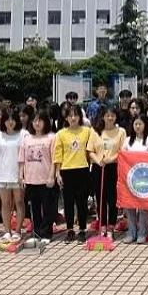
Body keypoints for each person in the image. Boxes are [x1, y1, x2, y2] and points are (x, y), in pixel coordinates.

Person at [54, 103, 94, 244]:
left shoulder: (87, 131)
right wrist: (57, 173)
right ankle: (70, 230)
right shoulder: (61, 134)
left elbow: (93, 147)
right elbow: (58, 154)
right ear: (66, 117)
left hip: (83, 169)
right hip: (66, 171)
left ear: (80, 117)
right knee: (68, 202)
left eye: (75, 115)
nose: (73, 118)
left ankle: (82, 230)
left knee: (82, 202)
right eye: (70, 115)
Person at [20, 107, 56, 245]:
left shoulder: (51, 137)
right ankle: (36, 232)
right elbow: (22, 159)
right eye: (35, 120)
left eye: (40, 120)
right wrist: (21, 176)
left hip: (46, 178)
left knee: (48, 207)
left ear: (46, 122)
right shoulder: (27, 138)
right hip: (31, 179)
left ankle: (46, 233)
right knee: (34, 208)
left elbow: (54, 159)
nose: (37, 123)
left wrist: (52, 176)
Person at [88, 105, 125, 240]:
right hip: (99, 167)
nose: (110, 118)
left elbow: (122, 151)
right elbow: (90, 151)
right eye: (107, 115)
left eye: (112, 115)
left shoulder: (120, 131)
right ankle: (102, 225)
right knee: (100, 198)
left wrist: (111, 159)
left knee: (112, 198)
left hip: (113, 167)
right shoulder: (95, 131)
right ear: (102, 117)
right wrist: (98, 160)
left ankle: (111, 227)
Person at [0, 106, 26, 242]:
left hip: (19, 174)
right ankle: (7, 231)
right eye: (7, 119)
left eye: (13, 119)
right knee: (5, 204)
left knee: (19, 202)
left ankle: (18, 230)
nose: (10, 122)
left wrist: (23, 173)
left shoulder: (23, 134)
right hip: (3, 174)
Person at [123, 116, 148, 243]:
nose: (138, 126)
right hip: (130, 177)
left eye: (140, 124)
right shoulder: (128, 140)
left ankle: (143, 232)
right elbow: (123, 156)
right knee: (129, 205)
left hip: (145, 177)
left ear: (145, 125)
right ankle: (131, 232)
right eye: (136, 124)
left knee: (143, 206)